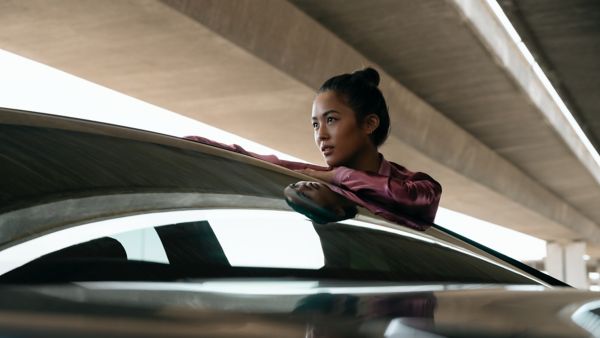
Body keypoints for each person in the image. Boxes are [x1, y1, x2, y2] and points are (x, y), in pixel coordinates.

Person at [185, 67, 441, 230]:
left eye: (331, 120)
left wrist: (338, 177)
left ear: (369, 123)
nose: (321, 134)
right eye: (315, 124)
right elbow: (269, 162)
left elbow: (416, 200)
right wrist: (198, 146)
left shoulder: (416, 185)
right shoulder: (318, 182)